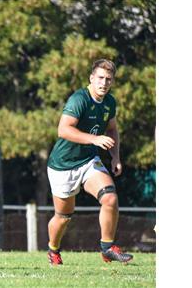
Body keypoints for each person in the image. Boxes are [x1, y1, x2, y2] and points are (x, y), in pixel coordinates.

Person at [46, 59, 133, 265]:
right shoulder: (79, 99)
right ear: (91, 78)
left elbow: (112, 129)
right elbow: (64, 130)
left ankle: (107, 247)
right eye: (100, 78)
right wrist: (94, 139)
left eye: (108, 79)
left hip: (88, 161)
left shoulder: (109, 102)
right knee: (64, 216)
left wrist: (115, 156)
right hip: (63, 165)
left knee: (110, 198)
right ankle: (53, 249)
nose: (104, 83)